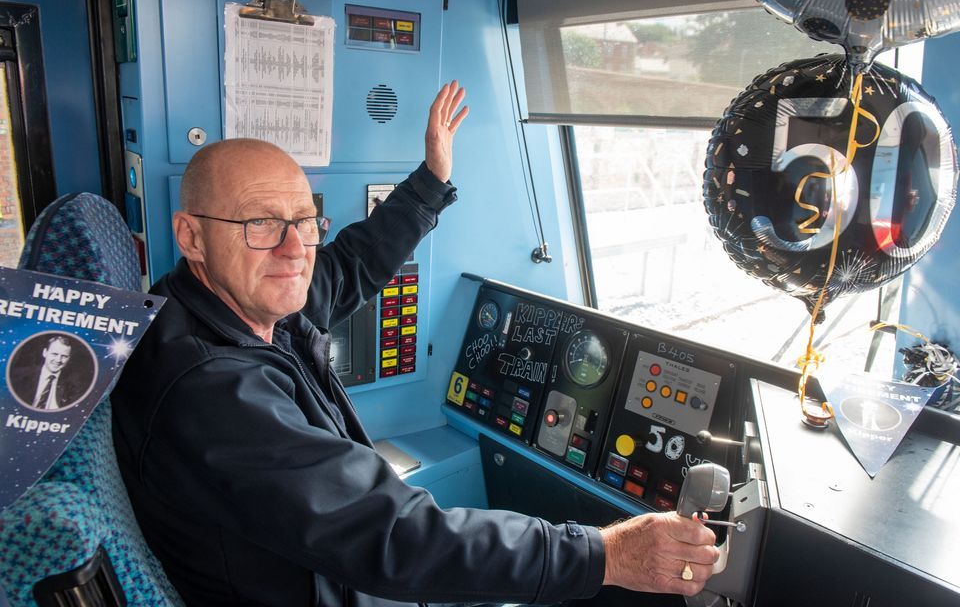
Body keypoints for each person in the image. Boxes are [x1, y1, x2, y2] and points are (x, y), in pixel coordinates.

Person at [111, 81, 719, 607]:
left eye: (303, 219)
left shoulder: (241, 305)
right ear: (191, 236)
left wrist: (430, 183)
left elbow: (348, 265)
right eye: (260, 224)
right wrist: (603, 554)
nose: (294, 249)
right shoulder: (209, 390)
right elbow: (394, 536)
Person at [9, 335, 86, 411]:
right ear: (45, 352)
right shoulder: (20, 376)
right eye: (55, 354)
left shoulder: (74, 384)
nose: (58, 360)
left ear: (68, 358)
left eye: (64, 356)